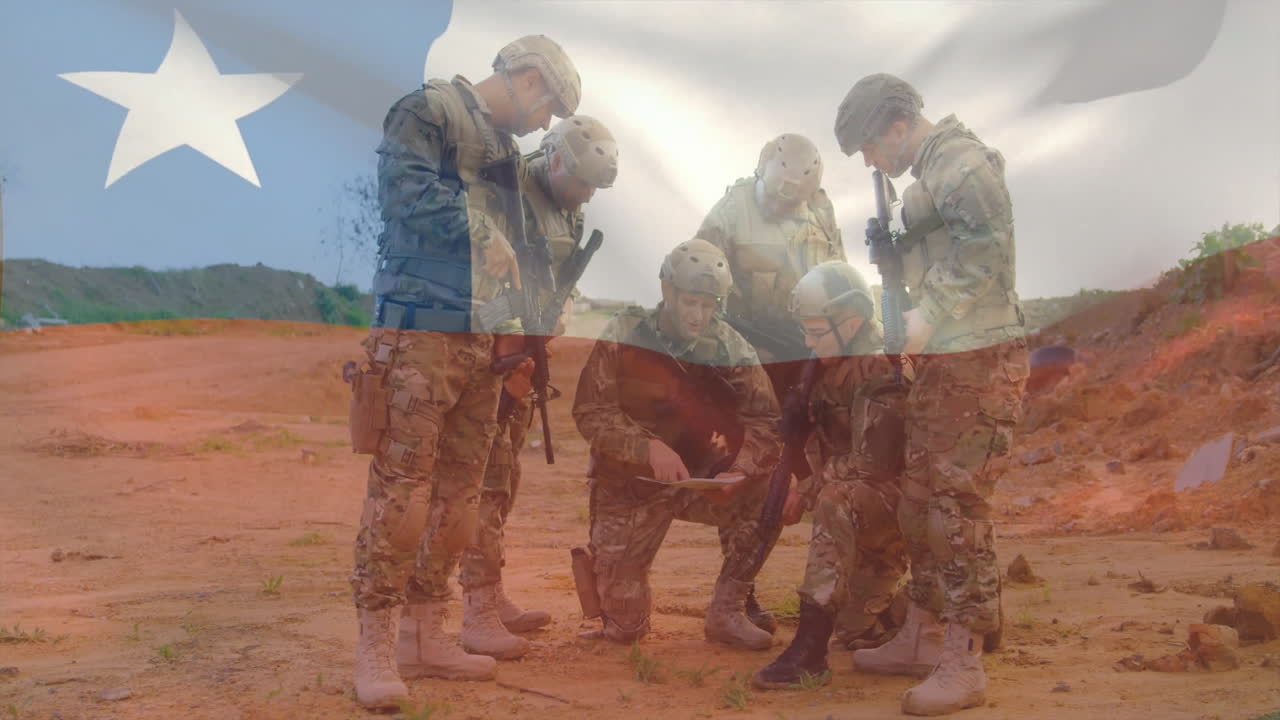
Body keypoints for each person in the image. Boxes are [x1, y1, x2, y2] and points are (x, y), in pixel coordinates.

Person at [347, 35, 580, 710]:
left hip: (484, 342)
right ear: (529, 79)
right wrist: (480, 232)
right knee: (402, 499)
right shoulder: (427, 111)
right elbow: (403, 197)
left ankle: (428, 633)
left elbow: (524, 250)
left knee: (459, 500)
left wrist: (541, 309)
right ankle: (378, 644)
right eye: (549, 109)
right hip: (419, 332)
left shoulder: (505, 151)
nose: (544, 125)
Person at [834, 73, 1028, 715]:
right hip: (948, 365)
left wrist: (930, 311)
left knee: (955, 512)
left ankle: (964, 659)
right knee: (920, 503)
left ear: (896, 126)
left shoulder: (959, 161)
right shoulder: (925, 178)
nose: (869, 161)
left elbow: (986, 249)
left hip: (980, 363)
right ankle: (921, 633)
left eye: (868, 145)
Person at [420, 114, 619, 661]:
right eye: (581, 182)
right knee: (479, 483)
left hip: (523, 353)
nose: (584, 195)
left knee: (502, 479)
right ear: (555, 159)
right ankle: (475, 611)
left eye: (593, 189)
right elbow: (476, 274)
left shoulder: (567, 205)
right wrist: (511, 345)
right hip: (486, 354)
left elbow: (550, 277)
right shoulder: (503, 188)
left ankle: (489, 593)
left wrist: (554, 318)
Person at [571, 239, 783, 650]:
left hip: (698, 482)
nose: (698, 315)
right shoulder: (625, 332)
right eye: (690, 302)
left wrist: (740, 467)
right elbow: (590, 411)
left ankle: (729, 610)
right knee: (625, 631)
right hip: (631, 486)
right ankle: (619, 605)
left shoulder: (730, 347)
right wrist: (646, 448)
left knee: (770, 490)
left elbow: (766, 420)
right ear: (667, 291)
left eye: (708, 305)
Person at [694, 133, 846, 633]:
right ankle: (740, 592)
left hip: (804, 360)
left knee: (821, 474)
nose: (785, 205)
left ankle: (839, 595)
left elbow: (839, 279)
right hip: (746, 363)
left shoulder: (821, 213)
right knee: (754, 473)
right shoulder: (729, 211)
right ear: (762, 174)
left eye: (794, 199)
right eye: (778, 196)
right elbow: (698, 286)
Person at [751, 261, 910, 690]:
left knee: (833, 497)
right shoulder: (825, 368)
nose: (807, 341)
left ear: (853, 321)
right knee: (858, 633)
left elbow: (871, 465)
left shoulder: (883, 369)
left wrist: (807, 488)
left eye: (816, 331)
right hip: (862, 515)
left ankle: (810, 648)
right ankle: (952, 610)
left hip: (898, 509)